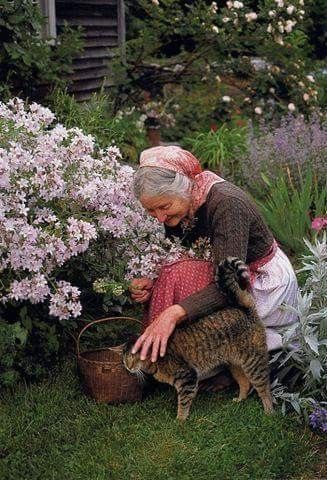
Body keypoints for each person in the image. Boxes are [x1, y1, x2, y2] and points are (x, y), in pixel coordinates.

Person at [129, 146, 298, 385]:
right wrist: (153, 282)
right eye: (150, 210)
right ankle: (200, 360)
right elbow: (181, 251)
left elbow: (230, 286)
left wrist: (174, 312)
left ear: (185, 187)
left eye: (164, 207)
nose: (160, 218)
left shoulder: (228, 204)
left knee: (186, 300)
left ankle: (220, 364)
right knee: (174, 275)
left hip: (261, 282)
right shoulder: (181, 203)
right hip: (224, 269)